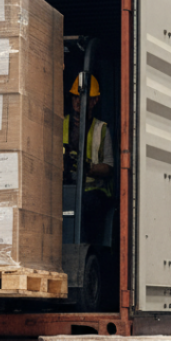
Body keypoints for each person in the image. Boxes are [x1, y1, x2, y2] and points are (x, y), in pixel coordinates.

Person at [63, 74, 114, 244]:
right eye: (75, 97)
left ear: (94, 101)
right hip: (65, 186)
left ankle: (84, 249)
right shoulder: (60, 123)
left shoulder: (102, 129)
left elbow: (108, 167)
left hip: (93, 191)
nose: (78, 101)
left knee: (84, 206)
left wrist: (87, 167)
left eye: (84, 97)